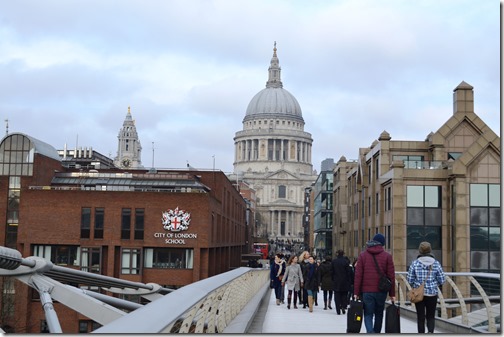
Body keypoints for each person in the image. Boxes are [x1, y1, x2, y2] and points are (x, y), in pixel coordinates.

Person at [354, 233, 396, 333]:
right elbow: (391, 276)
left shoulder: (363, 255)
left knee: (368, 314)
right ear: (382, 244)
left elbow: (358, 275)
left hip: (367, 291)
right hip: (381, 291)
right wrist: (392, 294)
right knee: (379, 314)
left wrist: (356, 292)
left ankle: (370, 332)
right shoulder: (387, 256)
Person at [407, 241, 446, 333]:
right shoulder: (436, 263)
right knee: (431, 316)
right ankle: (430, 333)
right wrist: (434, 283)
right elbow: (442, 280)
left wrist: (416, 285)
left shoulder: (415, 263)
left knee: (420, 317)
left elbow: (409, 279)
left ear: (420, 251)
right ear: (430, 250)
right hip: (432, 293)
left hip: (418, 294)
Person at [332, 249, 352, 314]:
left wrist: (333, 279)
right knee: (344, 295)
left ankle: (338, 309)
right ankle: (343, 306)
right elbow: (348, 272)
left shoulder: (334, 261)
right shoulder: (346, 262)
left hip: (336, 281)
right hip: (344, 281)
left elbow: (332, 271)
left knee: (337, 296)